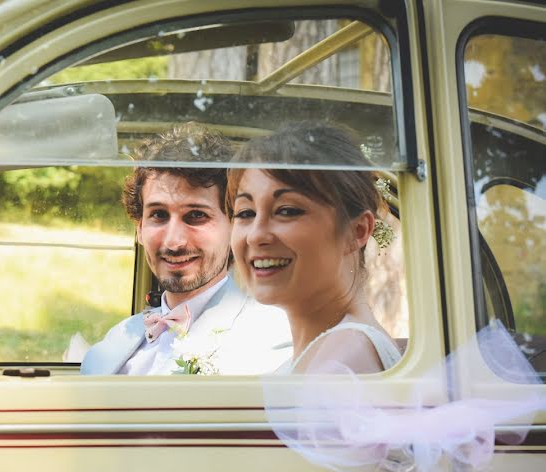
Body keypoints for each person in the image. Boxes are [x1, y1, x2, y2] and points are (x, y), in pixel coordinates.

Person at [81, 123, 290, 375]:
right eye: (158, 215)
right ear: (139, 228)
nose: (174, 242)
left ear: (234, 226)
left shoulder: (272, 341)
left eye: (196, 216)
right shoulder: (114, 344)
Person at [227, 122, 401, 374]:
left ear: (358, 231)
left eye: (286, 211)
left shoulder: (340, 361)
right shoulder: (336, 348)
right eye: (245, 213)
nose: (255, 236)